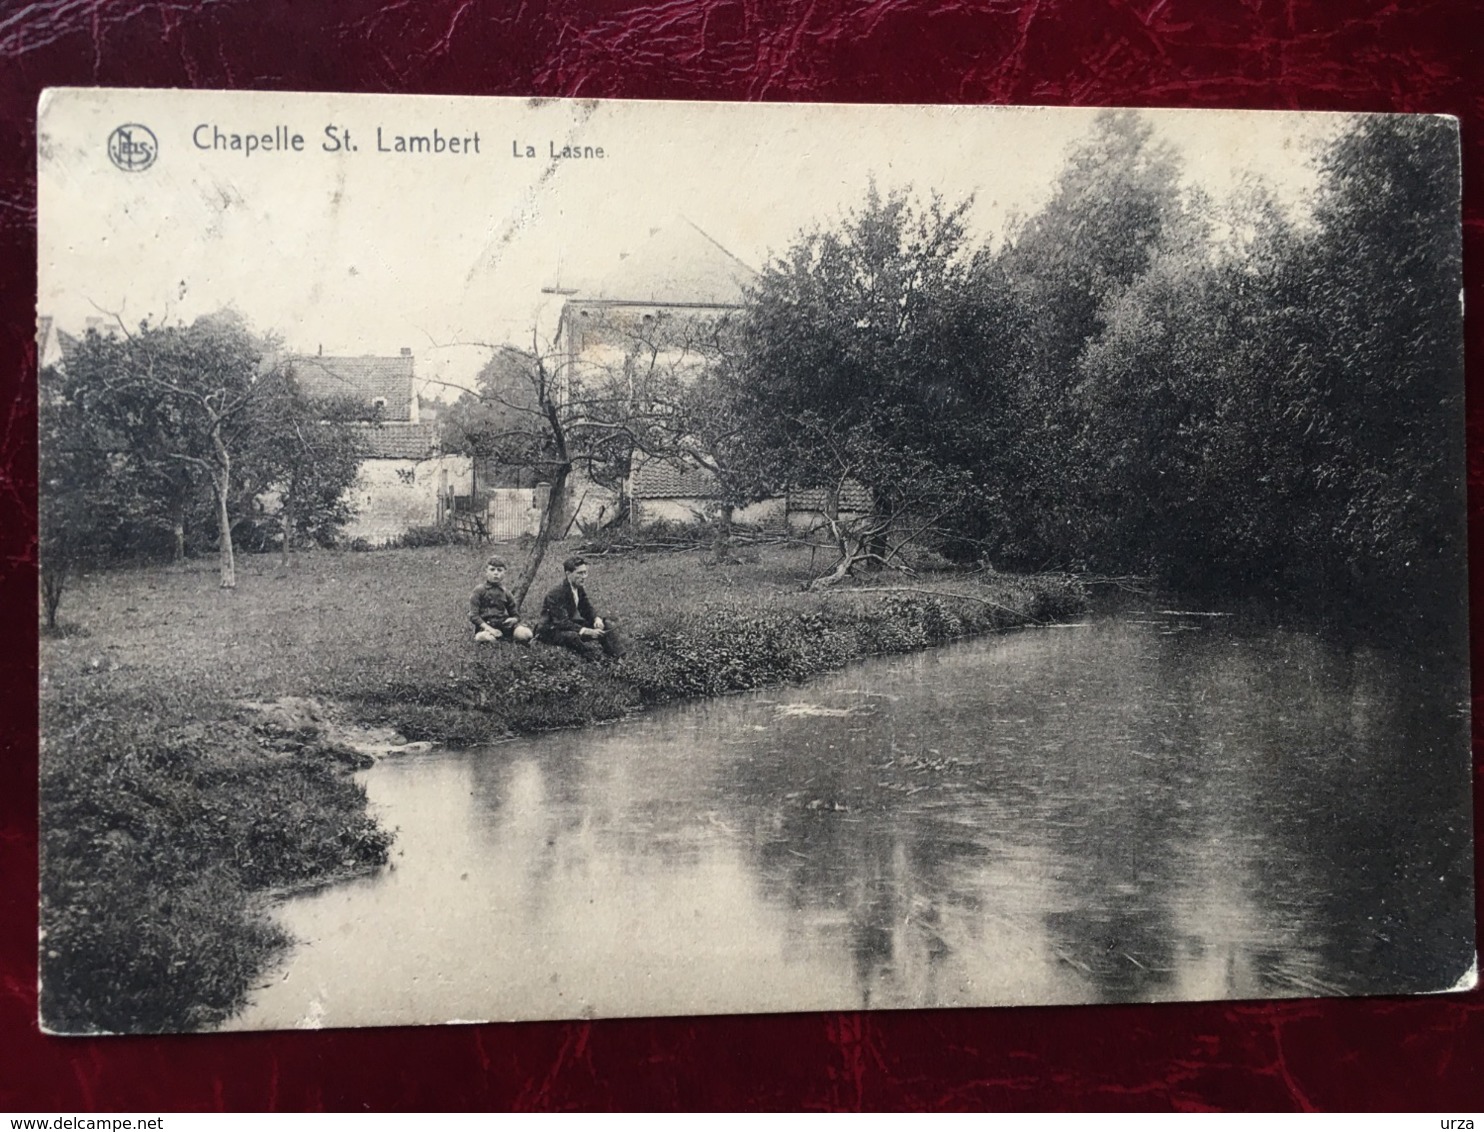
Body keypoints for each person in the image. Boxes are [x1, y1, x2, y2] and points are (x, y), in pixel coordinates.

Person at [537, 556, 626, 659]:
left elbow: (586, 609)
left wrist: (596, 619)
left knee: (605, 624)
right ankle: (596, 659)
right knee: (572, 637)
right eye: (580, 573)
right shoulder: (556, 594)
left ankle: (619, 657)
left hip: (568, 625)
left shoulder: (578, 588)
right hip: (550, 631)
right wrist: (587, 631)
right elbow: (561, 622)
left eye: (585, 572)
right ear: (568, 574)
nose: (584, 576)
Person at [469, 557, 533, 644]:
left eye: (499, 570)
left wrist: (513, 620)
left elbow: (515, 614)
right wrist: (490, 629)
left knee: (526, 634)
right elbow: (473, 616)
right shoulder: (479, 590)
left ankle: (507, 637)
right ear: (486, 572)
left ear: (504, 573)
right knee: (483, 638)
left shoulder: (505, 592)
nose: (496, 573)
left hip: (503, 625)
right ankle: (495, 639)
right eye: (492, 570)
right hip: (486, 626)